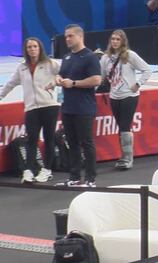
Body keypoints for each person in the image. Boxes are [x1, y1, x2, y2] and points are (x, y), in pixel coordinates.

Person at [0, 38, 60, 183]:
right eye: (29, 47)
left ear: (40, 48)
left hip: (49, 106)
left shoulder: (51, 64)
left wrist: (55, 82)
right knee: (31, 139)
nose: (32, 49)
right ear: (26, 50)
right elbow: (10, 84)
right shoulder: (22, 67)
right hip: (31, 108)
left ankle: (47, 170)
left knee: (49, 138)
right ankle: (28, 171)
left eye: (35, 46)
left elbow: (64, 74)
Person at [56, 24, 102, 187]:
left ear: (80, 37)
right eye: (66, 36)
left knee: (86, 143)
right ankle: (74, 177)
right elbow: (63, 74)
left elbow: (97, 80)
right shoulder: (67, 57)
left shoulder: (90, 57)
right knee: (72, 143)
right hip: (68, 107)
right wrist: (58, 79)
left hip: (84, 108)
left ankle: (90, 179)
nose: (67, 39)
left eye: (70, 36)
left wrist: (74, 83)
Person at [100, 30, 152, 170]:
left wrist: (138, 84)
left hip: (129, 96)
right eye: (113, 39)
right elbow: (102, 76)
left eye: (118, 39)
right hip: (114, 96)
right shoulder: (106, 58)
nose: (115, 41)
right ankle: (124, 156)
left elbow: (147, 70)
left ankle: (127, 158)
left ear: (123, 41)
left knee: (124, 126)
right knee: (121, 127)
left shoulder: (130, 55)